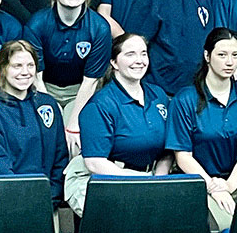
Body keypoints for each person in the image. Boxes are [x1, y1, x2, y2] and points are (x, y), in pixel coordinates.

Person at [64, 33, 172, 215]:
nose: (139, 60)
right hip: (106, 178)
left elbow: (168, 149)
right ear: (114, 62)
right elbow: (95, 163)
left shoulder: (158, 95)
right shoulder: (100, 105)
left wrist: (159, 178)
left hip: (150, 176)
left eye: (143, 53)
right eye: (130, 54)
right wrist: (145, 181)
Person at [166, 28, 237, 232]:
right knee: (229, 224)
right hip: (199, 184)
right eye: (222, 55)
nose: (230, 62)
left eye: (235, 55)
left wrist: (229, 185)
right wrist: (213, 187)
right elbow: (182, 156)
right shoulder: (185, 100)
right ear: (207, 55)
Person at [23, 0, 111, 153]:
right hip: (43, 89)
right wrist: (51, 116)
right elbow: (36, 78)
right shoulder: (37, 24)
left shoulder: (99, 28)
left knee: (75, 144)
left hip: (79, 91)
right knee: (47, 139)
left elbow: (90, 82)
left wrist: (72, 126)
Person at [0, 39, 70, 203]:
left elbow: (60, 156)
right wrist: (22, 200)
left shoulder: (48, 105)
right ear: (3, 68)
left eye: (30, 66)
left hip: (46, 201)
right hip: (5, 203)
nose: (25, 72)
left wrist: (49, 197)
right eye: (17, 66)